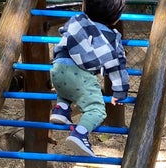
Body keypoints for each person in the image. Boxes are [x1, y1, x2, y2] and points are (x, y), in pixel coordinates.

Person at [49, 0, 129, 157]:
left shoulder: (75, 21)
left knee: (66, 89)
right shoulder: (112, 38)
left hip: (56, 69)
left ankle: (61, 108)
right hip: (80, 76)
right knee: (97, 110)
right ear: (116, 19)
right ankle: (79, 134)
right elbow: (117, 67)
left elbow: (63, 32)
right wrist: (119, 92)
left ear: (83, 7)